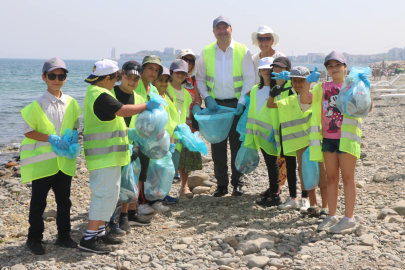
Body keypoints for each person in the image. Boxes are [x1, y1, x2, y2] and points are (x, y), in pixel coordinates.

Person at [79, 59, 160, 253]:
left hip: (112, 156)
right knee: (102, 195)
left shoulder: (102, 93)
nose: (117, 81)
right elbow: (122, 110)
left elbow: (115, 123)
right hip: (102, 157)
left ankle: (99, 233)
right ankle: (88, 239)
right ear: (107, 78)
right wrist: (146, 105)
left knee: (111, 194)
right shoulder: (97, 94)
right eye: (116, 77)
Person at [300, 51, 372, 233]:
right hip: (328, 139)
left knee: (348, 178)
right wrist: (307, 82)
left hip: (347, 139)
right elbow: (304, 101)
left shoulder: (353, 85)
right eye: (330, 66)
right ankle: (332, 216)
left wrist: (367, 87)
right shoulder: (322, 88)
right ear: (327, 69)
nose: (334, 69)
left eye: (337, 65)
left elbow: (367, 108)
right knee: (331, 178)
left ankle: (348, 218)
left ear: (345, 67)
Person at [21, 58, 81, 255]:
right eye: (52, 75)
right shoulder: (37, 104)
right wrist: (50, 138)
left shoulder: (71, 102)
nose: (57, 79)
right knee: (39, 202)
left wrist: (73, 135)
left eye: (61, 75)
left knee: (65, 201)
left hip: (64, 162)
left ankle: (64, 236)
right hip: (43, 163)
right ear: (44, 77)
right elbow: (28, 131)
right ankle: (34, 239)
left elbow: (74, 125)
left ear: (65, 78)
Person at [196, 15, 255, 197]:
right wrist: (207, 97)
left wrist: (241, 102)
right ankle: (222, 184)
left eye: (225, 27)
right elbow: (200, 79)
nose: (222, 31)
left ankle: (238, 182)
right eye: (218, 28)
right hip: (216, 107)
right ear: (214, 31)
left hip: (237, 106)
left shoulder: (242, 50)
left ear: (231, 29)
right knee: (218, 146)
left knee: (237, 145)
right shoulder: (206, 51)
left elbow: (249, 79)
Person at [267, 66, 328, 217]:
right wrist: (272, 95)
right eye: (295, 81)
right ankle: (312, 204)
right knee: (305, 172)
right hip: (299, 143)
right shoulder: (290, 100)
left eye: (302, 81)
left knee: (322, 173)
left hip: (315, 140)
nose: (298, 84)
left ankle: (326, 206)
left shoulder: (314, 96)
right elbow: (270, 105)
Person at [103, 61, 152, 235]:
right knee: (112, 184)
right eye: (128, 77)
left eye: (136, 79)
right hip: (112, 145)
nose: (132, 82)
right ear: (120, 76)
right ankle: (110, 218)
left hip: (132, 146)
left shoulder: (139, 99)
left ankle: (126, 214)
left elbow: (142, 124)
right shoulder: (110, 94)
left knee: (130, 180)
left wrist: (137, 142)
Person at [134, 55, 171, 215]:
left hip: (153, 136)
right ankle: (140, 202)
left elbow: (160, 113)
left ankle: (152, 199)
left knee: (154, 168)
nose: (153, 73)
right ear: (142, 69)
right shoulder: (135, 86)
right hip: (138, 135)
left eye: (156, 70)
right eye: (150, 68)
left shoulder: (154, 89)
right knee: (140, 170)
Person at [167, 59, 196, 198]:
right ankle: (162, 193)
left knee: (180, 160)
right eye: (177, 72)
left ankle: (179, 189)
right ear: (171, 73)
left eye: (183, 73)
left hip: (181, 132)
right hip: (167, 131)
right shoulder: (165, 88)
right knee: (166, 162)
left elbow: (184, 112)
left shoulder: (186, 93)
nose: (180, 75)